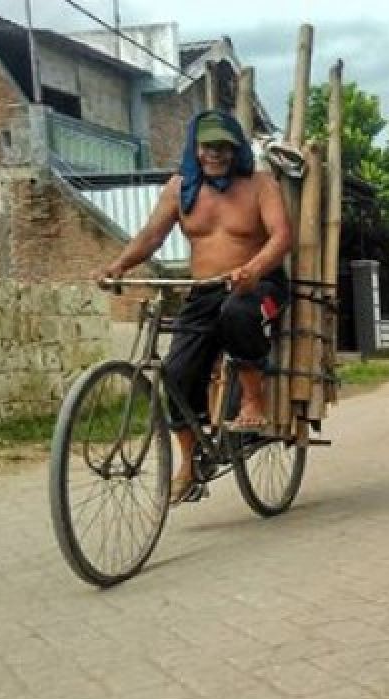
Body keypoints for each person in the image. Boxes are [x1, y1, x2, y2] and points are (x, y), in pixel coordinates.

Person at [97, 110, 292, 504]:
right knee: (176, 371)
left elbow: (282, 236)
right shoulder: (180, 189)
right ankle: (190, 464)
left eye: (223, 146)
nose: (214, 154)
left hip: (260, 287)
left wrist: (253, 270)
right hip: (203, 291)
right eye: (207, 146)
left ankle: (255, 398)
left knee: (237, 313)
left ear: (235, 149)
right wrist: (120, 264)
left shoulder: (259, 184)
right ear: (195, 148)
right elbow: (152, 235)